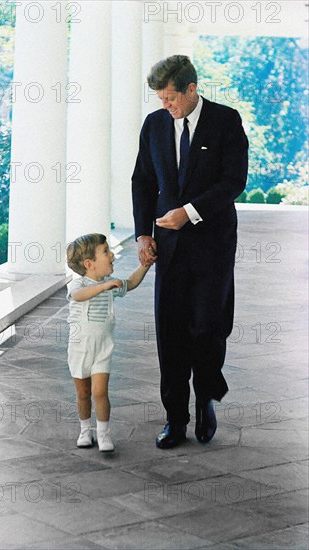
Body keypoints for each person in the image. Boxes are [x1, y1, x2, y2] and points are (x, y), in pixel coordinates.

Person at [132, 55, 248, 449]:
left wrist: (190, 213)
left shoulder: (226, 121)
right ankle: (175, 419)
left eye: (170, 99)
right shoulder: (154, 125)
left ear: (191, 89)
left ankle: (206, 399)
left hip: (213, 244)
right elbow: (143, 181)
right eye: (161, 99)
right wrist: (142, 235)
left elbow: (234, 181)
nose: (166, 106)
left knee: (207, 326)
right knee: (171, 331)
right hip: (169, 248)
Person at [66, 233, 150, 452]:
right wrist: (103, 287)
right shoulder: (78, 284)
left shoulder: (110, 284)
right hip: (79, 349)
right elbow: (79, 296)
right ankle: (85, 429)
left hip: (103, 348)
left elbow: (130, 283)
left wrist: (145, 266)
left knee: (100, 392)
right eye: (106, 251)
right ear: (89, 264)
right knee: (83, 393)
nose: (112, 255)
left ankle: (103, 433)